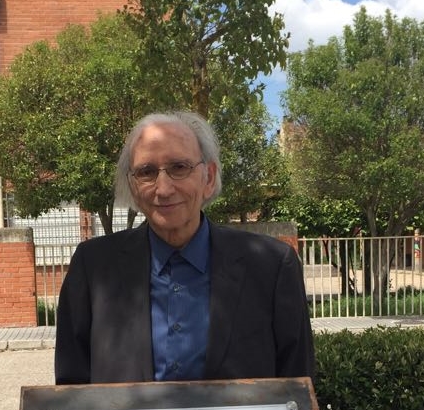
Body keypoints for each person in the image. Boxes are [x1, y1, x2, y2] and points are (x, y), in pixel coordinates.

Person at [54, 110, 314, 385]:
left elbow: (297, 388)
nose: (163, 188)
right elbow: (72, 391)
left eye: (179, 168)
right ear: (133, 185)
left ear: (209, 177)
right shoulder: (94, 268)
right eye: (147, 172)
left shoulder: (271, 266)